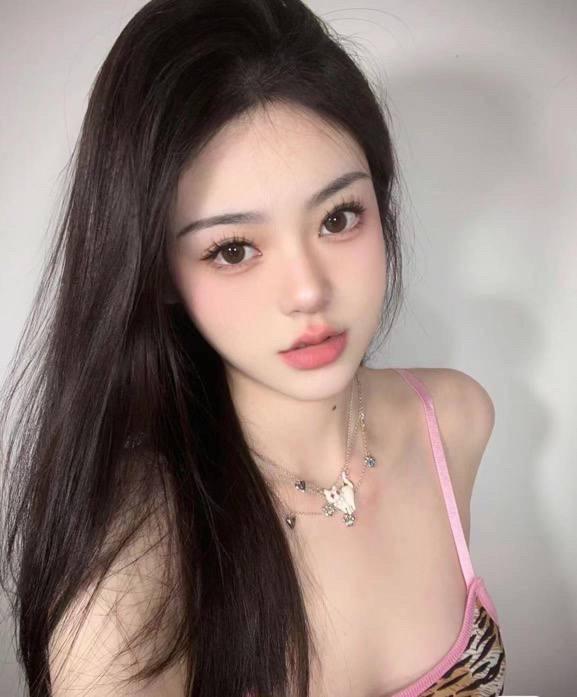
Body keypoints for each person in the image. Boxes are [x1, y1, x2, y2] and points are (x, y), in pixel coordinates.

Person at [0, 1, 506, 695]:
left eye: (338, 217)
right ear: (159, 272)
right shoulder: (136, 557)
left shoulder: (452, 419)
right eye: (233, 249)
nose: (307, 291)